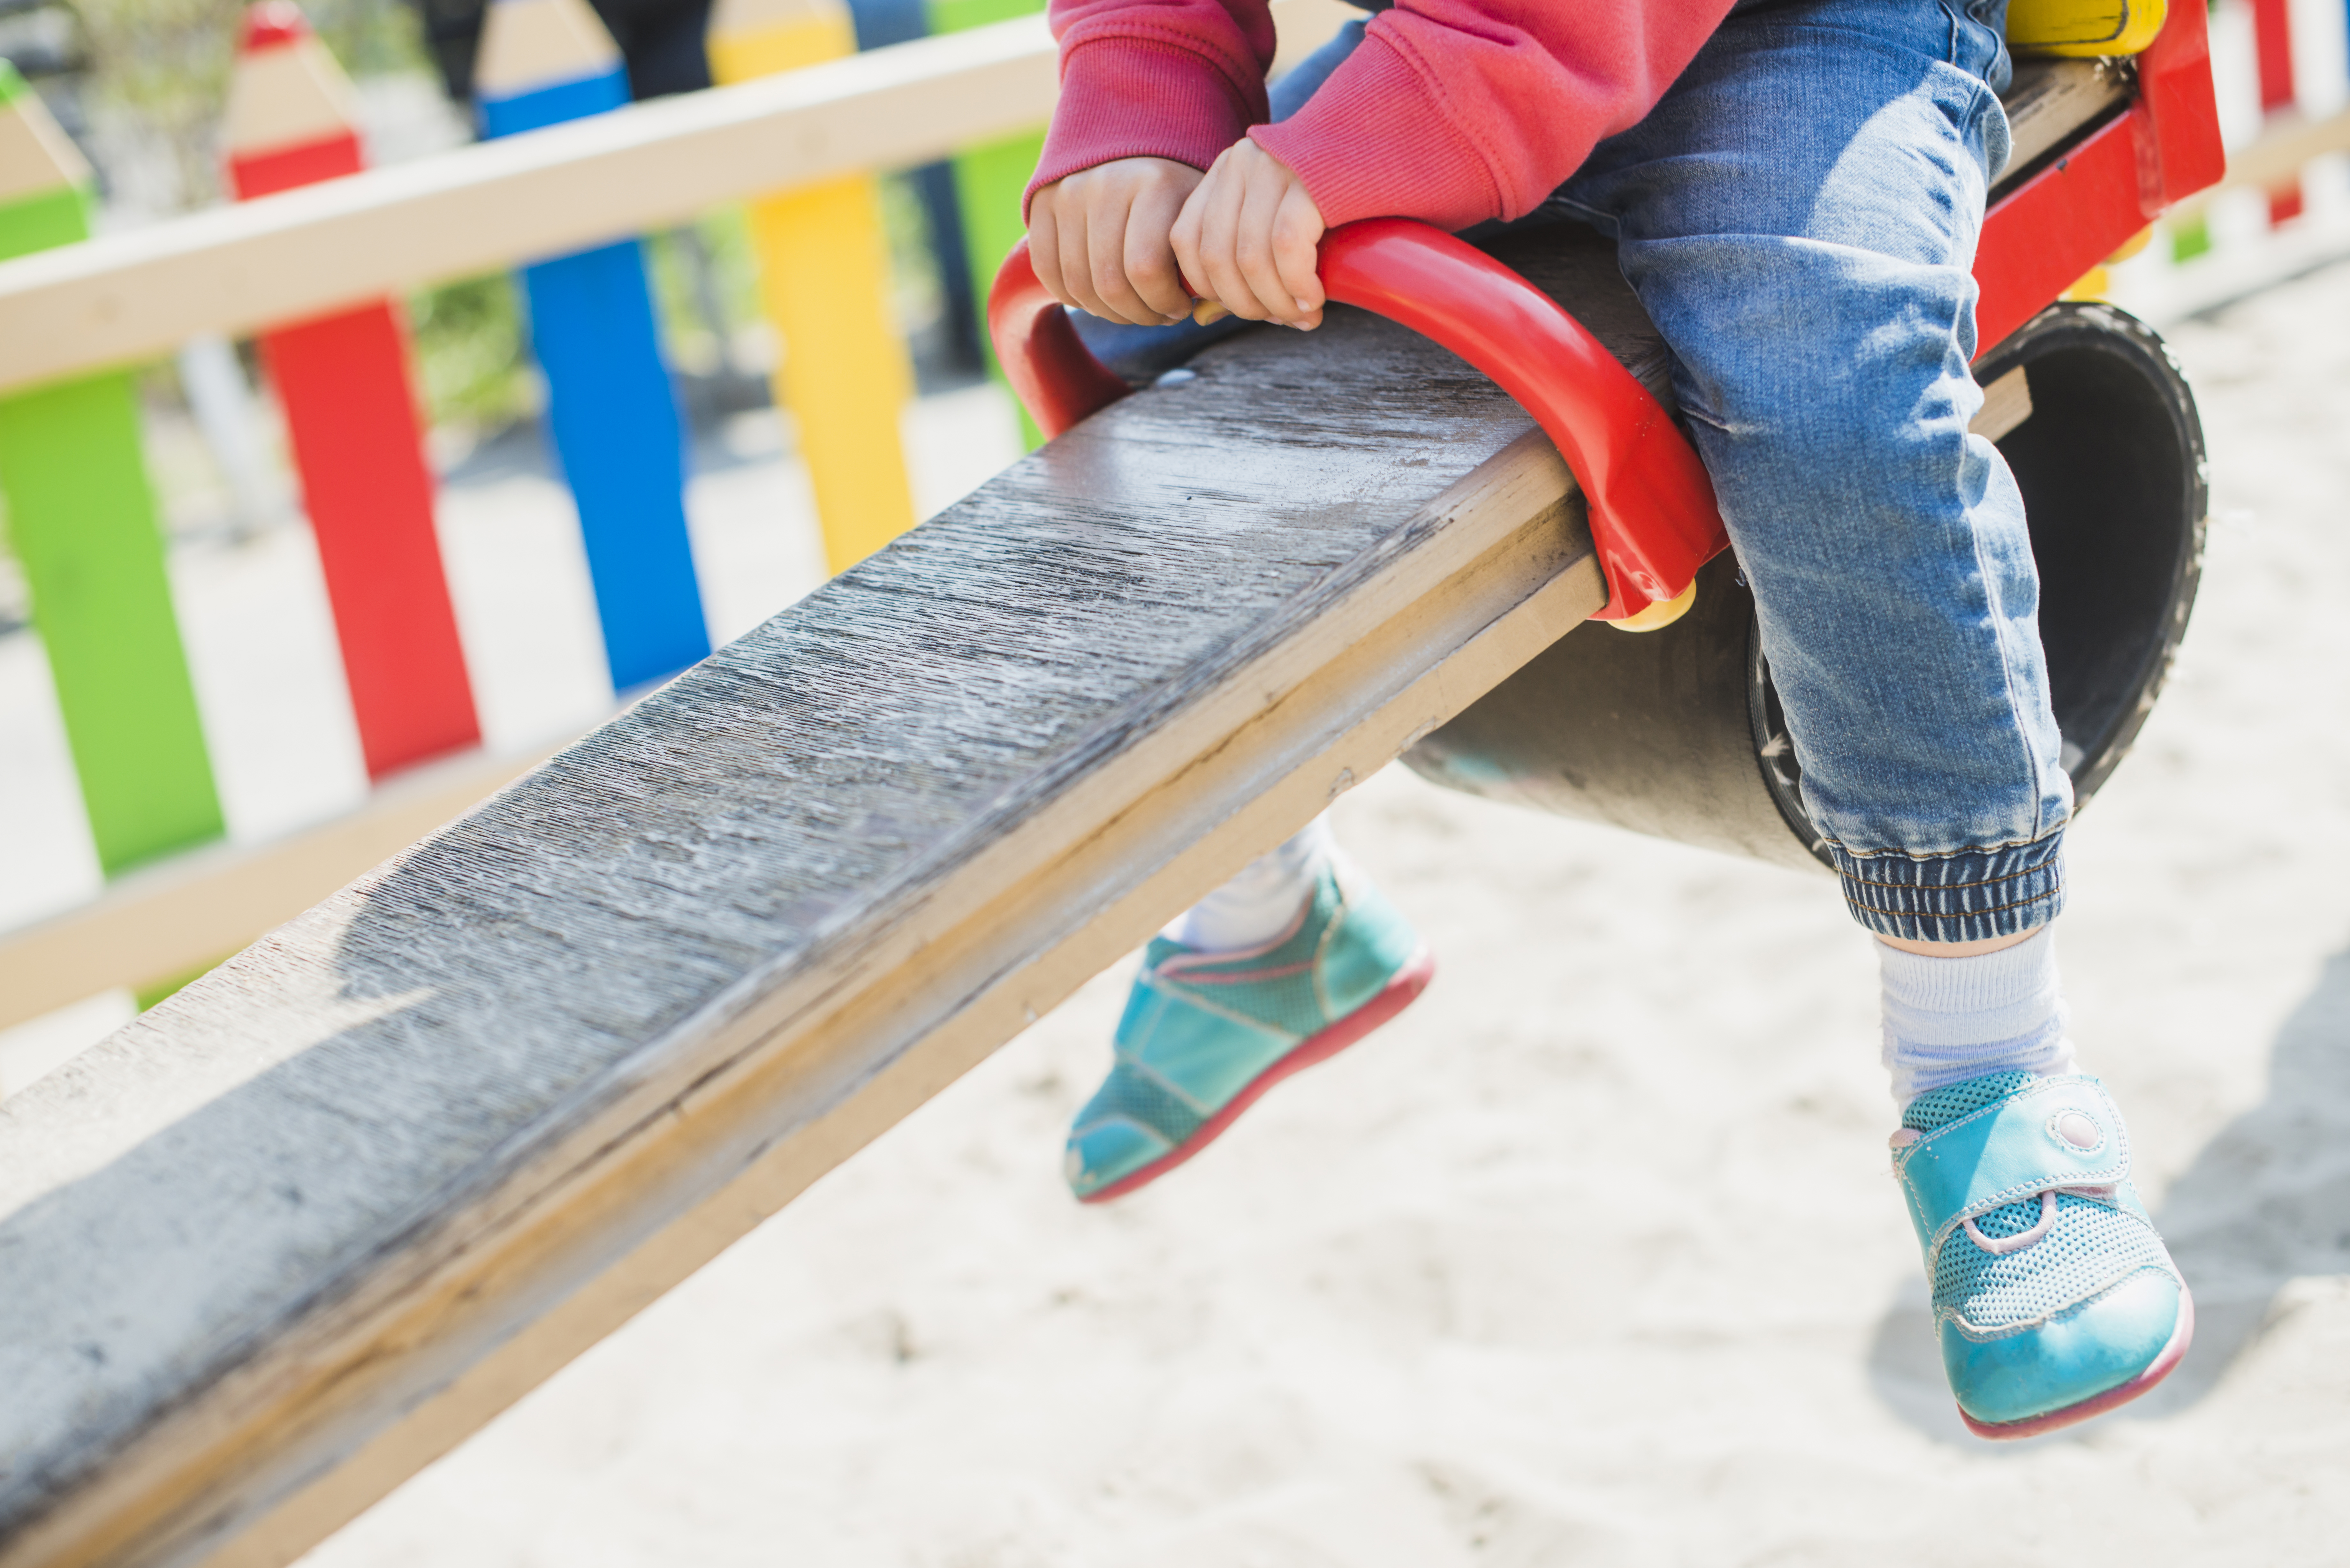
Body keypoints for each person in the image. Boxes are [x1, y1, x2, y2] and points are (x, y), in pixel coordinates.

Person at [1021, 0, 2191, 1438]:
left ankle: (1991, 1068)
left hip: (1794, 32)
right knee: (1115, 318)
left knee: (1821, 365)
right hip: (1451, 39)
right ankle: (1266, 904)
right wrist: (1143, 90)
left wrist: (1420, 112)